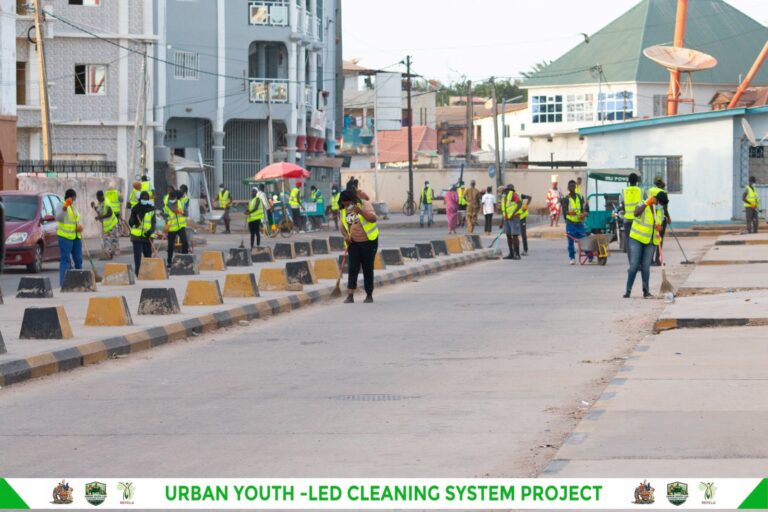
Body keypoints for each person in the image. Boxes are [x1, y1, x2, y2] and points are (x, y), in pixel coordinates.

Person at [625, 192, 669, 299]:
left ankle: (646, 291)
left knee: (646, 266)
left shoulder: (660, 211)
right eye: (661, 203)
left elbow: (661, 225)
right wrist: (646, 204)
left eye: (663, 205)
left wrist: (659, 228)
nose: (661, 206)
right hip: (637, 238)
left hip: (650, 241)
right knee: (634, 264)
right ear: (656, 200)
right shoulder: (643, 203)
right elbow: (635, 213)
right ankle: (628, 290)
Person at [339, 189, 379, 304]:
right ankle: (350, 295)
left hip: (368, 241)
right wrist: (346, 236)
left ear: (353, 200)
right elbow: (342, 225)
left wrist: (360, 211)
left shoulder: (365, 204)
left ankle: (369, 295)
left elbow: (373, 219)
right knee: (353, 268)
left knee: (367, 268)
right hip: (353, 243)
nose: (347, 206)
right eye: (345, 204)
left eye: (349, 204)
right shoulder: (343, 209)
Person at [55, 188, 83, 286]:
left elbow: (75, 220)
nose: (74, 201)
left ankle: (79, 281)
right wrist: (65, 206)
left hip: (76, 237)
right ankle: (64, 283)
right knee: (65, 260)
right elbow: (59, 217)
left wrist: (79, 227)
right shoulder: (61, 205)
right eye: (74, 198)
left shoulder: (73, 208)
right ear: (70, 197)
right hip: (65, 237)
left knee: (78, 260)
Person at [128, 191, 156, 276]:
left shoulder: (151, 209)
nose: (145, 200)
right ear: (140, 199)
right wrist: (136, 218)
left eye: (146, 198)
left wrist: (150, 232)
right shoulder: (136, 208)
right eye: (143, 198)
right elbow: (131, 222)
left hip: (147, 236)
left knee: (148, 255)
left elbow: (153, 222)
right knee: (137, 256)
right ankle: (137, 273)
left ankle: (148, 272)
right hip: (136, 236)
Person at [562, 179, 589, 265]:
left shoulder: (580, 197)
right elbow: (564, 212)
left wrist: (584, 213)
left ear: (575, 187)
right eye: (570, 186)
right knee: (570, 242)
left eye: (573, 186)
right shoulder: (566, 199)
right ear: (568, 188)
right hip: (570, 224)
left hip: (579, 223)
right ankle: (572, 258)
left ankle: (590, 256)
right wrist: (569, 213)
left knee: (583, 240)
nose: (572, 187)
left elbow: (585, 208)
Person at [619, 173, 643, 261]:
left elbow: (622, 206)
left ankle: (632, 264)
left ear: (628, 181)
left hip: (627, 220)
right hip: (638, 220)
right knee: (639, 241)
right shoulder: (641, 191)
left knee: (629, 242)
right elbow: (644, 205)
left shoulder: (624, 191)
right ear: (637, 181)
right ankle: (638, 263)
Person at [648, 177, 670, 266]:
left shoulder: (650, 191)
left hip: (651, 218)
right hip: (660, 219)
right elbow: (664, 207)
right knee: (659, 239)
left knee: (651, 239)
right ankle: (657, 260)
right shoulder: (663, 193)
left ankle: (649, 260)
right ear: (662, 184)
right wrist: (668, 217)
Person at [164, 190, 189, 266]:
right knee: (170, 245)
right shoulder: (167, 206)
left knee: (185, 242)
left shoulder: (181, 203)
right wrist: (166, 226)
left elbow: (186, 214)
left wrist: (182, 212)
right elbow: (165, 216)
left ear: (176, 197)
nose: (172, 200)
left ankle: (185, 259)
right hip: (172, 228)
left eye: (173, 198)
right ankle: (169, 261)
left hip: (181, 226)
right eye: (171, 198)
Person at [93, 190, 119, 260]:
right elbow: (99, 210)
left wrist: (100, 217)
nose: (98, 199)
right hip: (107, 225)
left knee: (109, 240)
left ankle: (109, 254)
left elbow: (109, 213)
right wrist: (94, 207)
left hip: (112, 224)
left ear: (102, 196)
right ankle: (110, 253)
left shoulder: (106, 203)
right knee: (109, 240)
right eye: (97, 198)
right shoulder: (99, 202)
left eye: (99, 197)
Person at [502, 185, 523, 260]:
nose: (503, 191)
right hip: (507, 219)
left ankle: (517, 254)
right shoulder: (505, 198)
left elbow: (519, 203)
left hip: (514, 218)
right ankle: (511, 253)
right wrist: (502, 222)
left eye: (504, 190)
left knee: (515, 235)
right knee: (508, 235)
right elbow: (504, 210)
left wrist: (513, 214)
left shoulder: (513, 194)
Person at [518, 191, 533, 255]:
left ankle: (525, 250)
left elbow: (529, 197)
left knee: (523, 234)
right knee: (515, 235)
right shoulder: (507, 197)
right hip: (515, 217)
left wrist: (526, 206)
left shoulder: (519, 195)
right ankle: (516, 250)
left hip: (522, 216)